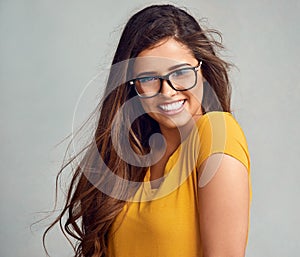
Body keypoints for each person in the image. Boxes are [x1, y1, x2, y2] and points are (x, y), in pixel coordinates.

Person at [44, 4, 251, 257]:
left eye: (182, 73)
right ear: (133, 88)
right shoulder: (130, 160)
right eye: (148, 78)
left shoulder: (218, 132)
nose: (168, 91)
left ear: (203, 71)